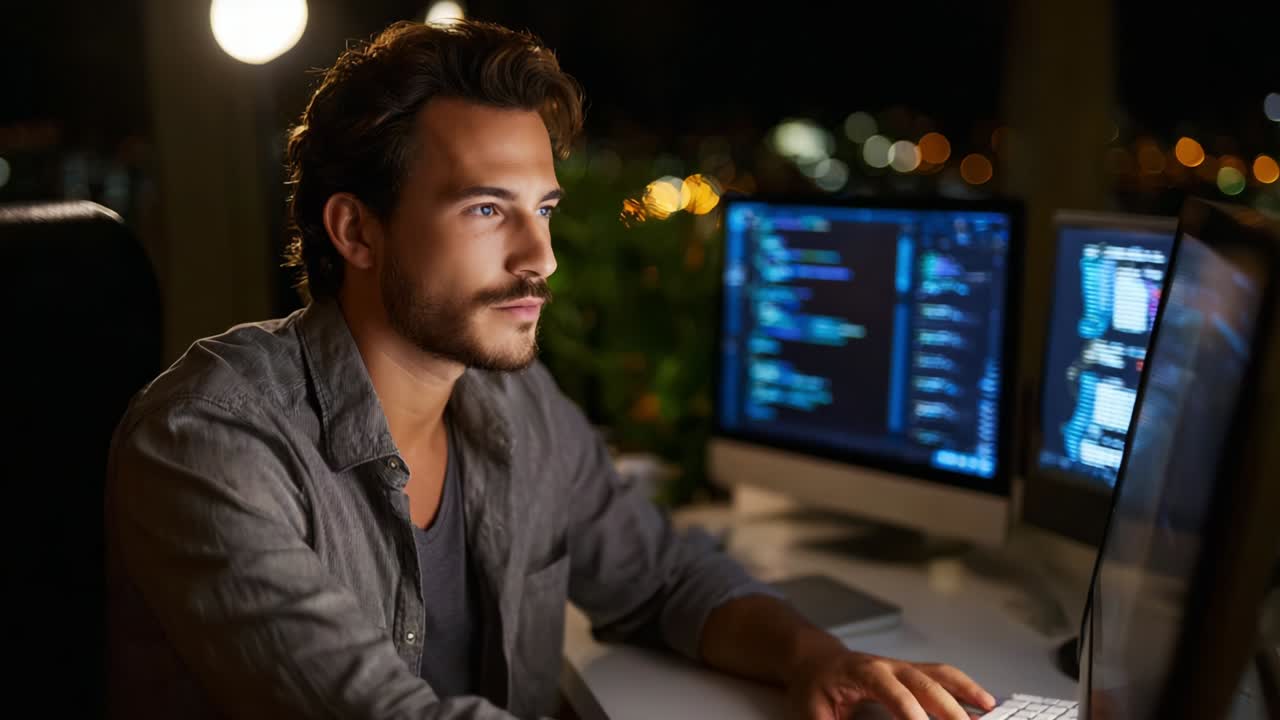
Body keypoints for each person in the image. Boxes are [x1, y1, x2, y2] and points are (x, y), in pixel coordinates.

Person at [104, 18, 997, 720]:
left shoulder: (514, 404)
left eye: (545, 208)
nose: (543, 256)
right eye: (488, 209)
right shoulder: (209, 440)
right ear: (356, 230)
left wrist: (817, 658)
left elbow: (664, 577)